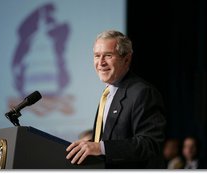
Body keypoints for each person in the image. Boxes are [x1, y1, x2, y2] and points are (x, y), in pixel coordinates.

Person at [66, 30, 166, 168]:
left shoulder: (142, 93)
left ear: (126, 59)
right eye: (97, 56)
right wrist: (86, 146)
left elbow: (150, 144)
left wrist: (100, 148)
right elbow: (110, 139)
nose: (100, 62)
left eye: (108, 55)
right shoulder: (108, 93)